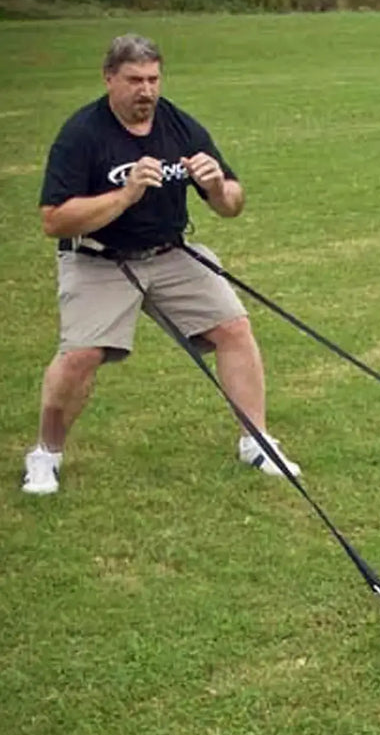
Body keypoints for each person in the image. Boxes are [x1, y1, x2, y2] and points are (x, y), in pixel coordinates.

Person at [23, 33, 299, 495]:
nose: (146, 91)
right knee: (80, 357)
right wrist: (125, 195)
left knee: (234, 329)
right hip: (98, 260)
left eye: (153, 79)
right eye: (134, 80)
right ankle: (45, 455)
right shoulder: (82, 135)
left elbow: (233, 203)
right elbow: (54, 220)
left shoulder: (179, 126)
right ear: (109, 79)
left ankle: (256, 442)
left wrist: (216, 188)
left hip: (171, 253)